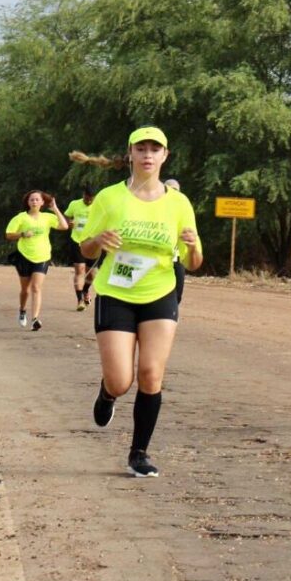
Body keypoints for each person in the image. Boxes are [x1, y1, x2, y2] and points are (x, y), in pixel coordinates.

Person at [81, 126, 202, 478]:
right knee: (121, 381)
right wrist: (98, 241)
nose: (148, 155)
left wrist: (193, 245)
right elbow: (84, 248)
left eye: (155, 149)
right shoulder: (109, 198)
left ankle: (139, 453)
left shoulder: (179, 203)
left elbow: (194, 263)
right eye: (141, 149)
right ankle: (107, 394)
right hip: (116, 292)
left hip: (160, 292)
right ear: (130, 154)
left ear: (165, 156)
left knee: (151, 374)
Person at [5, 190, 69, 331]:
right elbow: (8, 234)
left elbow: (64, 226)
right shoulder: (21, 218)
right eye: (31, 200)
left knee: (36, 287)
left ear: (42, 202)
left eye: (37, 199)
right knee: (25, 290)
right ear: (27, 203)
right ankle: (22, 310)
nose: (34, 202)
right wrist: (22, 234)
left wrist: (55, 209)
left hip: (43, 256)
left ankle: (35, 319)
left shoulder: (47, 217)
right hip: (24, 256)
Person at [64, 185, 98, 311]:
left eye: (91, 199)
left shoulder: (99, 206)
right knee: (80, 270)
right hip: (77, 241)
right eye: (87, 198)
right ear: (83, 195)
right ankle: (80, 300)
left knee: (92, 275)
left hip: (92, 244)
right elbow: (67, 216)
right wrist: (69, 222)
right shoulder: (74, 204)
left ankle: (85, 291)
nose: (89, 201)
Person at [163, 179, 187, 304]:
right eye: (169, 189)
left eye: (175, 190)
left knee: (178, 292)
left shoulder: (183, 209)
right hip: (159, 257)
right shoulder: (156, 207)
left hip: (177, 257)